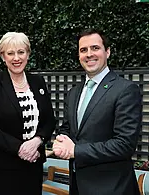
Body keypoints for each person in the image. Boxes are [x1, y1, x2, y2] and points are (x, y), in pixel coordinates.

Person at [53, 28, 142, 195]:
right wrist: (61, 140)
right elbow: (70, 129)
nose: (89, 54)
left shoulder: (125, 90)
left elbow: (124, 144)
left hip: (112, 188)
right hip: (78, 186)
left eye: (95, 48)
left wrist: (75, 151)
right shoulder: (73, 93)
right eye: (83, 50)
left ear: (107, 52)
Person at [0, 32, 56, 195]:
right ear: (3, 56)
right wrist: (19, 148)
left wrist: (37, 140)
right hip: (3, 165)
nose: (16, 58)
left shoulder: (38, 82)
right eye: (10, 53)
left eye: (21, 52)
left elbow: (49, 121)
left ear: (28, 54)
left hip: (33, 162)